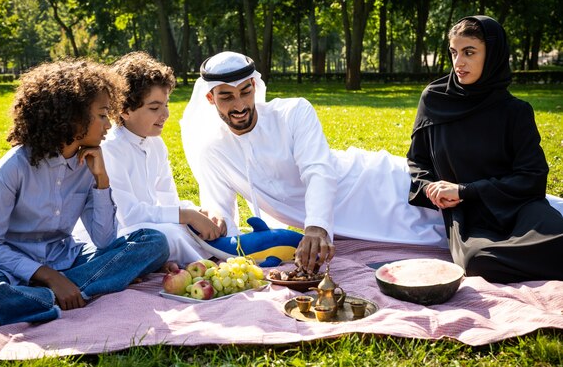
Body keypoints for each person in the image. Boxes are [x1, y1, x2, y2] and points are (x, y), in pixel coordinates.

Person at [180, 51, 448, 273]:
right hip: (346, 226)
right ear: (210, 98)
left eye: (245, 92)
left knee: (457, 220)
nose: (239, 104)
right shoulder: (212, 149)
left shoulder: (293, 112)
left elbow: (318, 172)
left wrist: (317, 227)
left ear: (254, 87)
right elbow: (222, 214)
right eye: (226, 96)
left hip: (376, 185)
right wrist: (216, 223)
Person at [0, 59, 170, 326]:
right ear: (74, 118)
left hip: (66, 258)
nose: (108, 125)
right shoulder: (12, 168)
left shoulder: (89, 166)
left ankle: (44, 298)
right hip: (5, 269)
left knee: (153, 242)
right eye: (102, 115)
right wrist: (49, 277)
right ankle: (66, 292)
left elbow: (104, 240)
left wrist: (101, 180)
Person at [407, 15, 563, 283]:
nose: (458, 62)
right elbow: (417, 160)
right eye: (454, 52)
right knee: (479, 263)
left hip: (518, 207)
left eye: (469, 52)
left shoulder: (515, 112)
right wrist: (431, 189)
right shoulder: (434, 100)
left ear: (493, 55)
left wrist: (466, 189)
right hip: (469, 216)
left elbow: (533, 176)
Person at [101, 51, 225, 266]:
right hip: (124, 234)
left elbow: (169, 201)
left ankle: (219, 257)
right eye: (154, 108)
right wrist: (187, 216)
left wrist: (199, 211)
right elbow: (129, 215)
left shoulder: (155, 143)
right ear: (124, 110)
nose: (165, 114)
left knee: (213, 223)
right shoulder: (110, 149)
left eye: (166, 104)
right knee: (170, 235)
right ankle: (209, 266)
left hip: (151, 225)